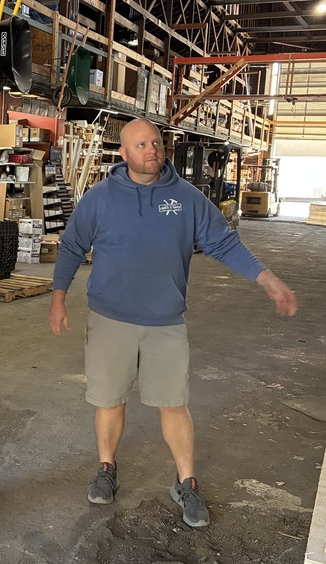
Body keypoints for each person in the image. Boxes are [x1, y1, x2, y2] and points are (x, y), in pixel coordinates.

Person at [48, 117, 297, 528]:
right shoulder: (99, 198)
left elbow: (223, 242)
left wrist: (267, 279)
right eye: (142, 144)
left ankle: (186, 481)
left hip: (165, 320)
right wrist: (58, 299)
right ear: (124, 153)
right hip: (111, 318)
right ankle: (107, 468)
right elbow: (72, 247)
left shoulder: (186, 198)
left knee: (173, 402)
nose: (153, 150)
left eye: (157, 143)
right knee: (109, 400)